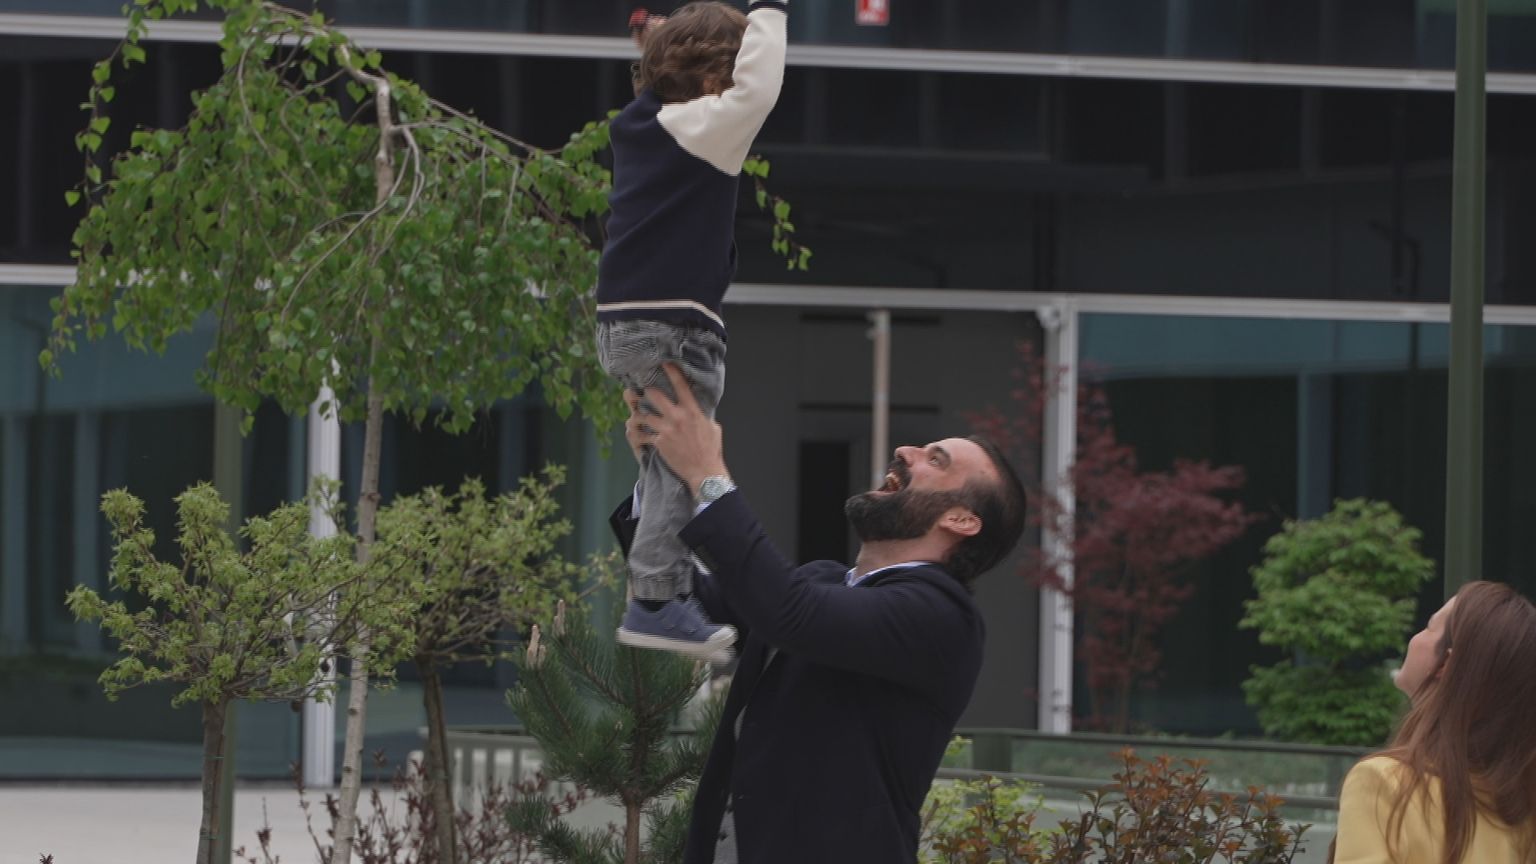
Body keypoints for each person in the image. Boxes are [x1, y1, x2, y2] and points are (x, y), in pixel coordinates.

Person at [611, 364, 1028, 864]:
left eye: (935, 459)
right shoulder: (821, 580)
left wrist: (707, 473)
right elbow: (688, 597)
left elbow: (790, 612)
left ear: (961, 519)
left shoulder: (943, 618)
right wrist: (661, 472)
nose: (906, 450)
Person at [597, 0, 789, 660]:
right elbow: (757, 90)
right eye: (729, 78)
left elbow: (668, 66)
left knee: (664, 458)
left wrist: (658, 41)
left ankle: (668, 591)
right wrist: (770, 11)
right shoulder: (705, 125)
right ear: (713, 80)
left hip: (625, 324)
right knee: (684, 457)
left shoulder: (642, 123)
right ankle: (656, 601)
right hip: (675, 326)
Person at [1332, 579, 1536, 864]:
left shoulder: (1384, 783)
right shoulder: (1523, 798)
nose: (1415, 637)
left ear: (1445, 664)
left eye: (1429, 626)